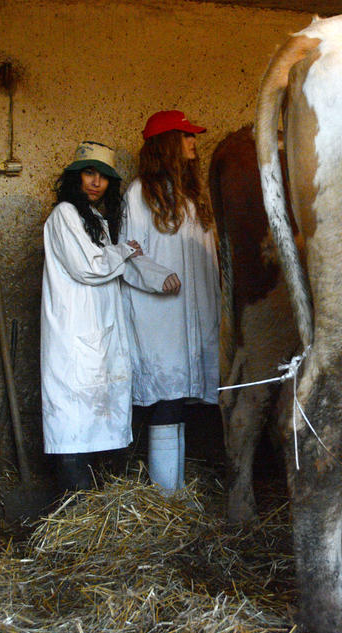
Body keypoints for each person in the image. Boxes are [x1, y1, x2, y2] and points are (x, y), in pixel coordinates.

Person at [41, 140, 180, 491]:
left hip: (98, 337)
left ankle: (95, 501)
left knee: (94, 421)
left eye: (103, 176)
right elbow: (90, 267)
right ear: (75, 176)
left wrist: (157, 277)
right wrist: (123, 251)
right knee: (73, 421)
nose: (95, 182)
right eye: (89, 173)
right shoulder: (64, 216)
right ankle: (74, 509)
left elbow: (118, 265)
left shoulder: (98, 223)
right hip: (74, 338)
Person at [120, 110, 220, 494]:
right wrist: (158, 275)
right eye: (186, 136)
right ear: (167, 143)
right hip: (159, 315)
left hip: (193, 311)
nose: (194, 142)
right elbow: (129, 253)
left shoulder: (193, 198)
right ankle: (165, 498)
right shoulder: (139, 195)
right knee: (165, 399)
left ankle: (175, 492)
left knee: (178, 402)